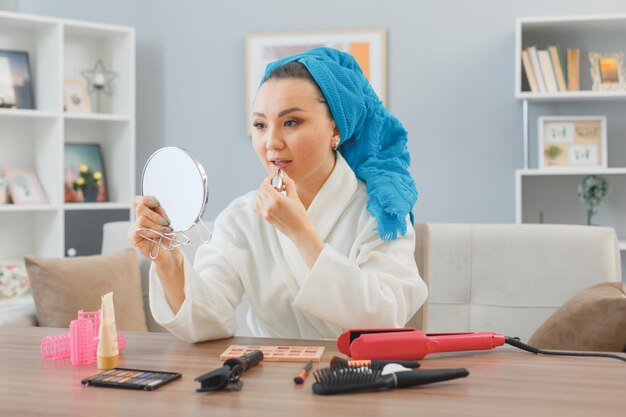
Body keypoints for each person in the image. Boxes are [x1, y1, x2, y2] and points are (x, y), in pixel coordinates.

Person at [129, 47, 427, 342]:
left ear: (335, 130)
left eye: (291, 122)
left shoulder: (380, 215)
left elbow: (386, 320)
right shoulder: (242, 216)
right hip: (267, 379)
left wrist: (301, 234)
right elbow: (209, 320)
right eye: (260, 125)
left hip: (354, 378)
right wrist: (168, 262)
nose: (271, 142)